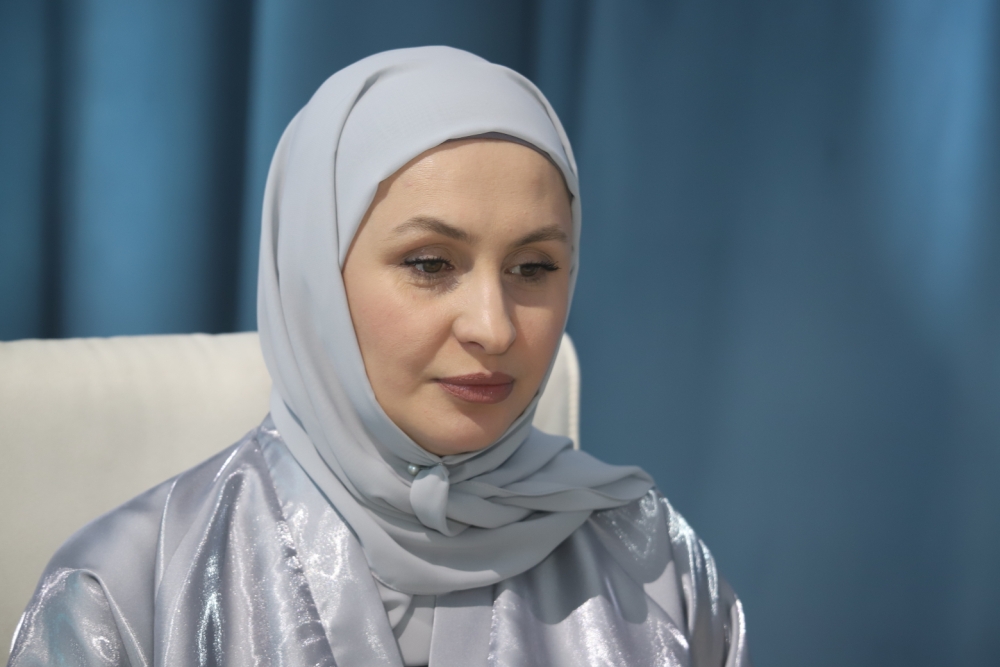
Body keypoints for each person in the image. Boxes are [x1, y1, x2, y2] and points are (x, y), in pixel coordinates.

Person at [9, 46, 750, 667]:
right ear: (314, 278)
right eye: (431, 263)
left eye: (533, 268)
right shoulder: (124, 595)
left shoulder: (655, 566)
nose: (493, 328)